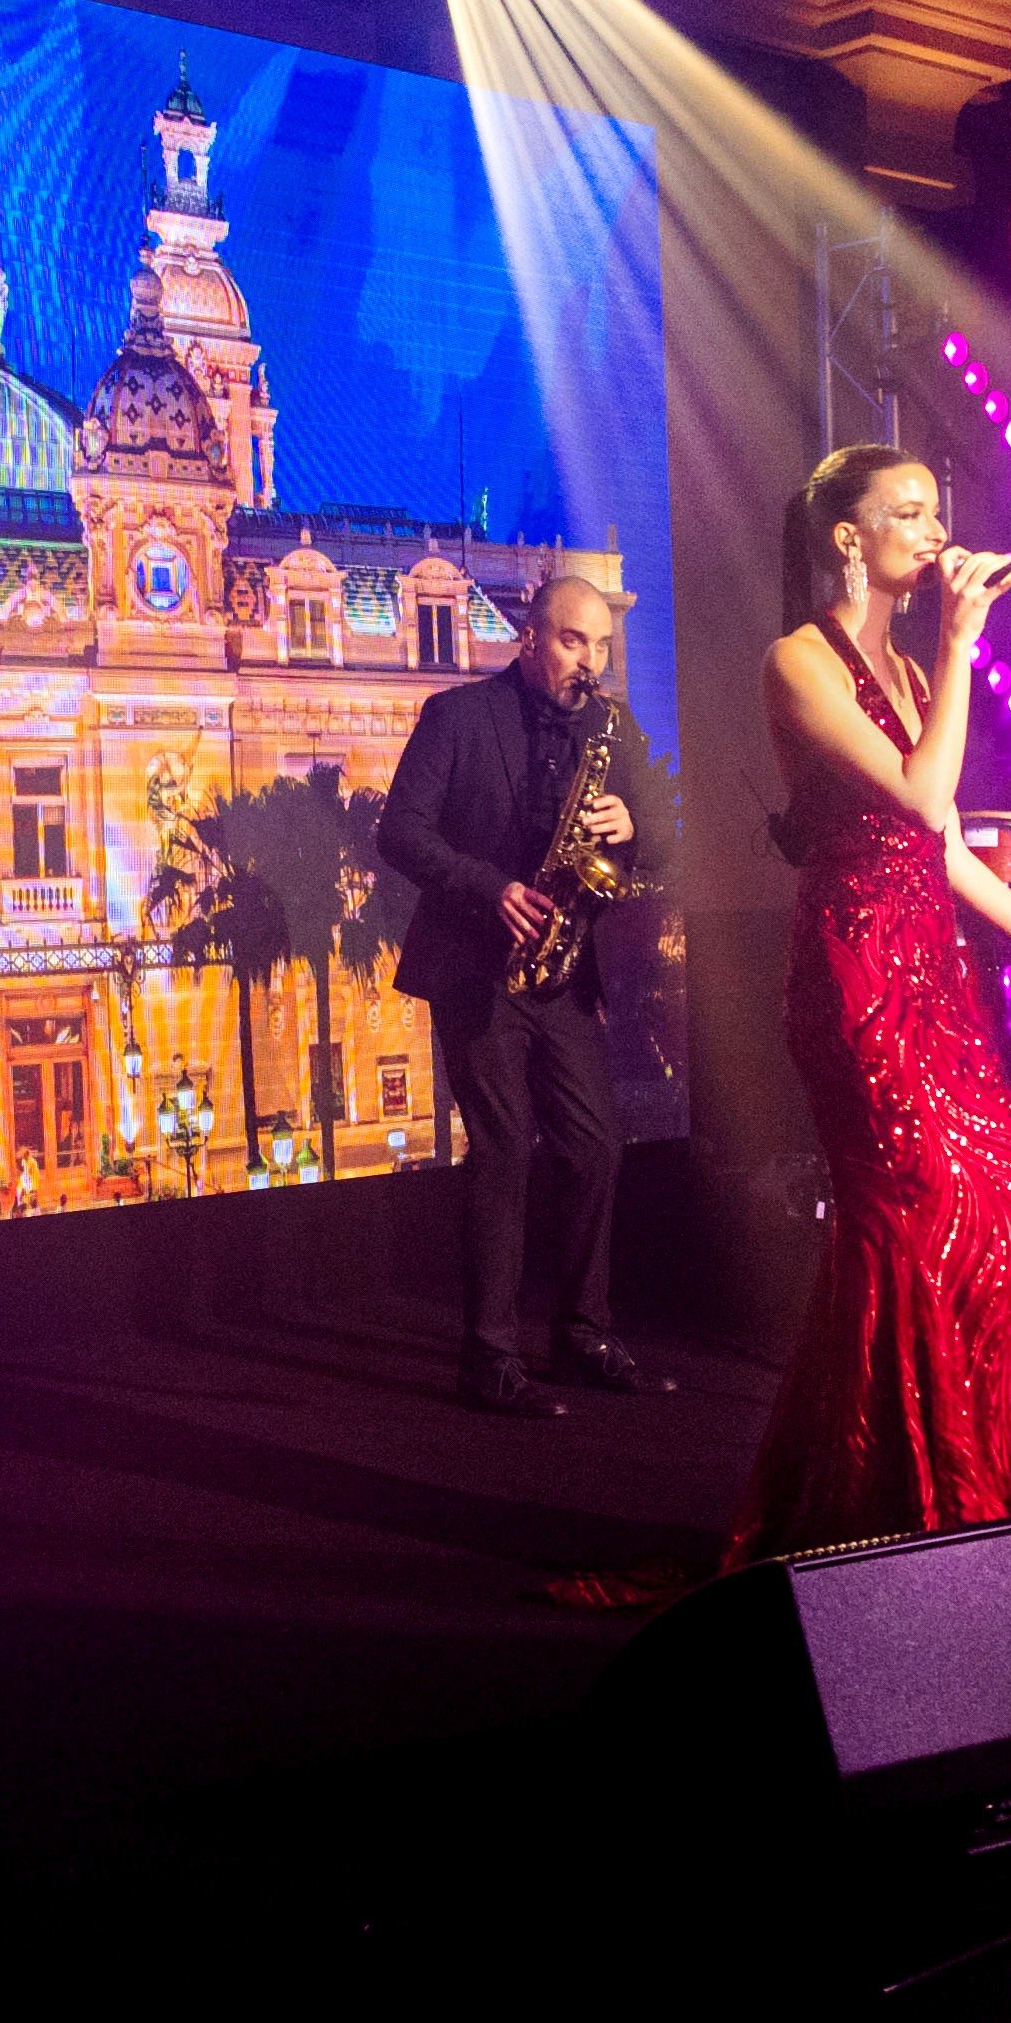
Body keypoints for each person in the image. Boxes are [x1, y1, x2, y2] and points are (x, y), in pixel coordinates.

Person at [725, 449, 1011, 1563]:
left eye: (938, 512)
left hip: (935, 976)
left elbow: (953, 855)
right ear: (846, 536)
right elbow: (923, 799)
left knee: (1008, 1225)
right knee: (919, 1227)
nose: (934, 532)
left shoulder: (913, 677)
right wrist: (964, 644)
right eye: (909, 513)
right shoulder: (798, 661)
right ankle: (915, 1512)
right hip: (857, 977)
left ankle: (971, 1494)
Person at [376, 569, 678, 1414]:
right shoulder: (458, 716)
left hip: (560, 970)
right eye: (575, 642)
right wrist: (489, 886)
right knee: (505, 1153)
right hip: (475, 968)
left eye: (602, 646)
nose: (590, 661)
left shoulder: (609, 728)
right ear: (532, 637)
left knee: (594, 1148)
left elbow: (659, 845)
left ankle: (582, 1334)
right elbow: (400, 830)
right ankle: (489, 1358)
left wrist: (632, 826)